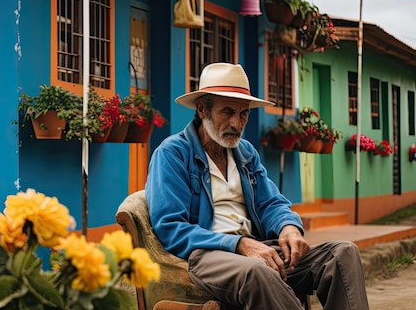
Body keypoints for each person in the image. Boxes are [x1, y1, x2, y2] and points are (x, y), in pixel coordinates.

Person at [145, 62, 368, 310]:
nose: (237, 123)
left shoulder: (245, 153)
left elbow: (270, 202)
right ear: (201, 109)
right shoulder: (172, 153)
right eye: (227, 112)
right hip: (208, 255)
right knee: (258, 271)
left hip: (258, 247)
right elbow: (171, 227)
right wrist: (238, 244)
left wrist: (289, 227)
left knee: (341, 254)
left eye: (243, 114)